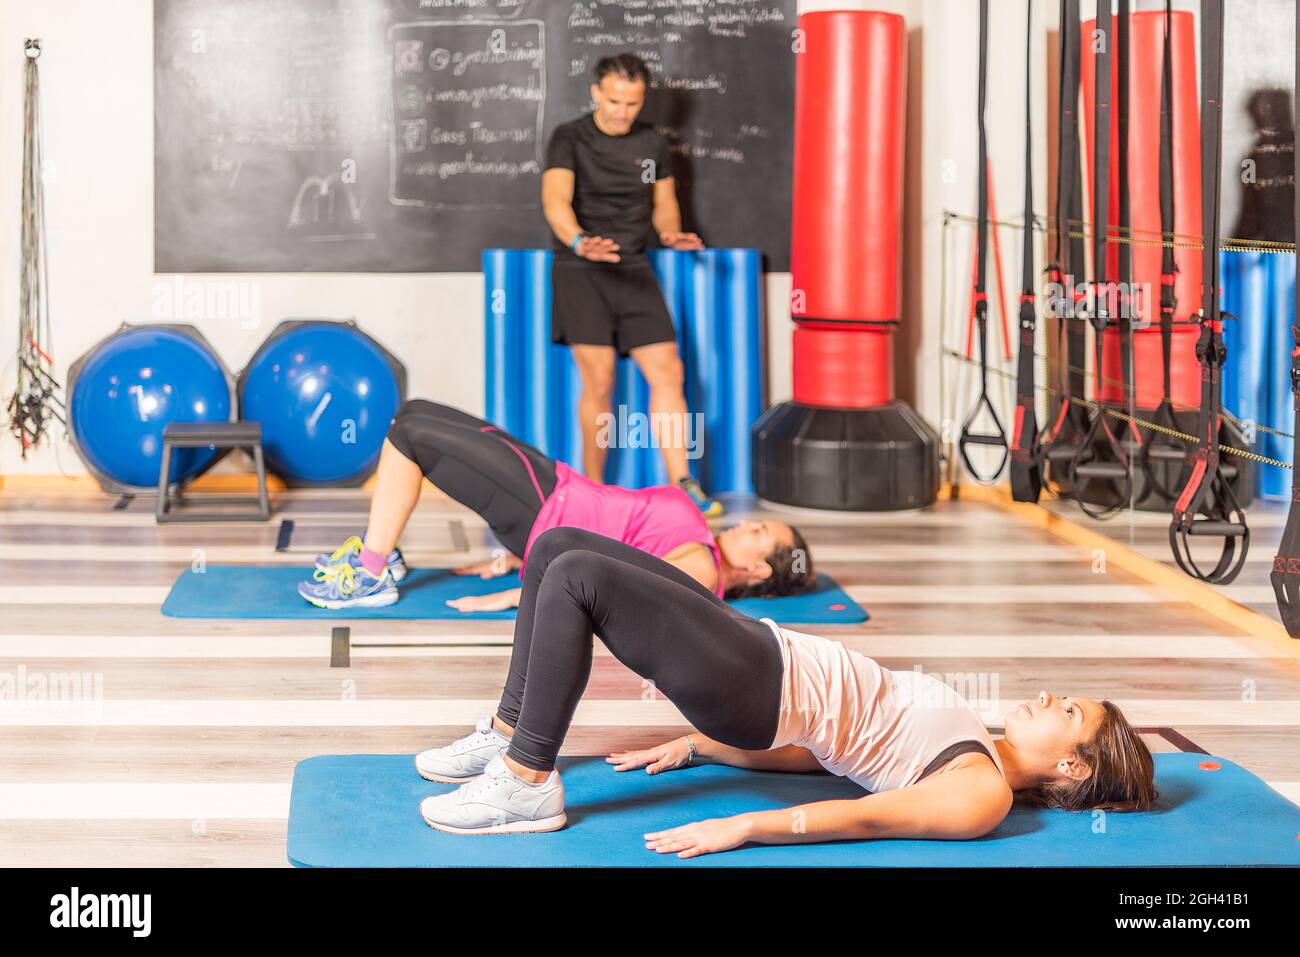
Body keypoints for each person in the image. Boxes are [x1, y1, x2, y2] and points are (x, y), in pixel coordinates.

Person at [416, 527, 1158, 856]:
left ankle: (525, 781)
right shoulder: (976, 738)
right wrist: (702, 745)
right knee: (556, 548)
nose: (1052, 695)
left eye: (1070, 712)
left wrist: (748, 827)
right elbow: (832, 754)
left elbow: (868, 817)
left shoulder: (984, 792)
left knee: (580, 582)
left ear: (1074, 767)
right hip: (763, 650)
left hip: (756, 683)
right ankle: (507, 730)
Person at [298, 399, 814, 611]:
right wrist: (512, 562)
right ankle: (380, 556)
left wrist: (521, 591)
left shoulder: (702, 569)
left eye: (758, 532)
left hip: (543, 512)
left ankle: (371, 572)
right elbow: (621, 544)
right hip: (554, 486)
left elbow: (613, 583)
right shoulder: (701, 546)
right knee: (413, 414)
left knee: (411, 434)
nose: (746, 525)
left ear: (757, 566)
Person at [541, 53, 722, 516]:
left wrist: (669, 233)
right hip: (581, 268)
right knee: (600, 381)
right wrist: (581, 242)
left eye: (633, 103)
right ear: (596, 92)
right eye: (615, 100)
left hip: (634, 267)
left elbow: (663, 203)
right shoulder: (570, 138)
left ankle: (682, 484)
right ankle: (593, 490)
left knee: (669, 373)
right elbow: (555, 200)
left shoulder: (652, 143)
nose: (622, 111)